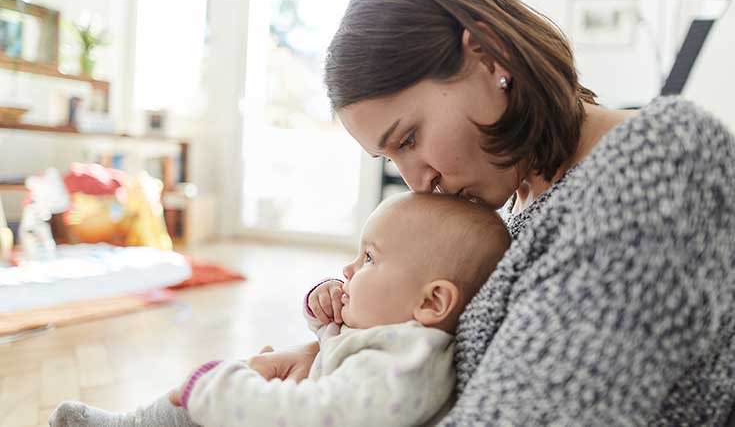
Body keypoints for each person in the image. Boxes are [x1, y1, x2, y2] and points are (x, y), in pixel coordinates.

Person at [250, 0, 735, 425]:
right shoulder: (516, 206)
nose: (418, 183)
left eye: (411, 138)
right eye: (392, 156)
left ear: (487, 56)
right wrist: (338, 366)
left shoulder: (656, 164)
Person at [48, 193, 511, 427]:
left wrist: (227, 391)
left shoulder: (407, 362)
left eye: (369, 258)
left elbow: (322, 415)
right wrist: (326, 311)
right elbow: (339, 342)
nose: (349, 269)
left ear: (432, 302)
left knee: (218, 389)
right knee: (220, 385)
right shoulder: (395, 334)